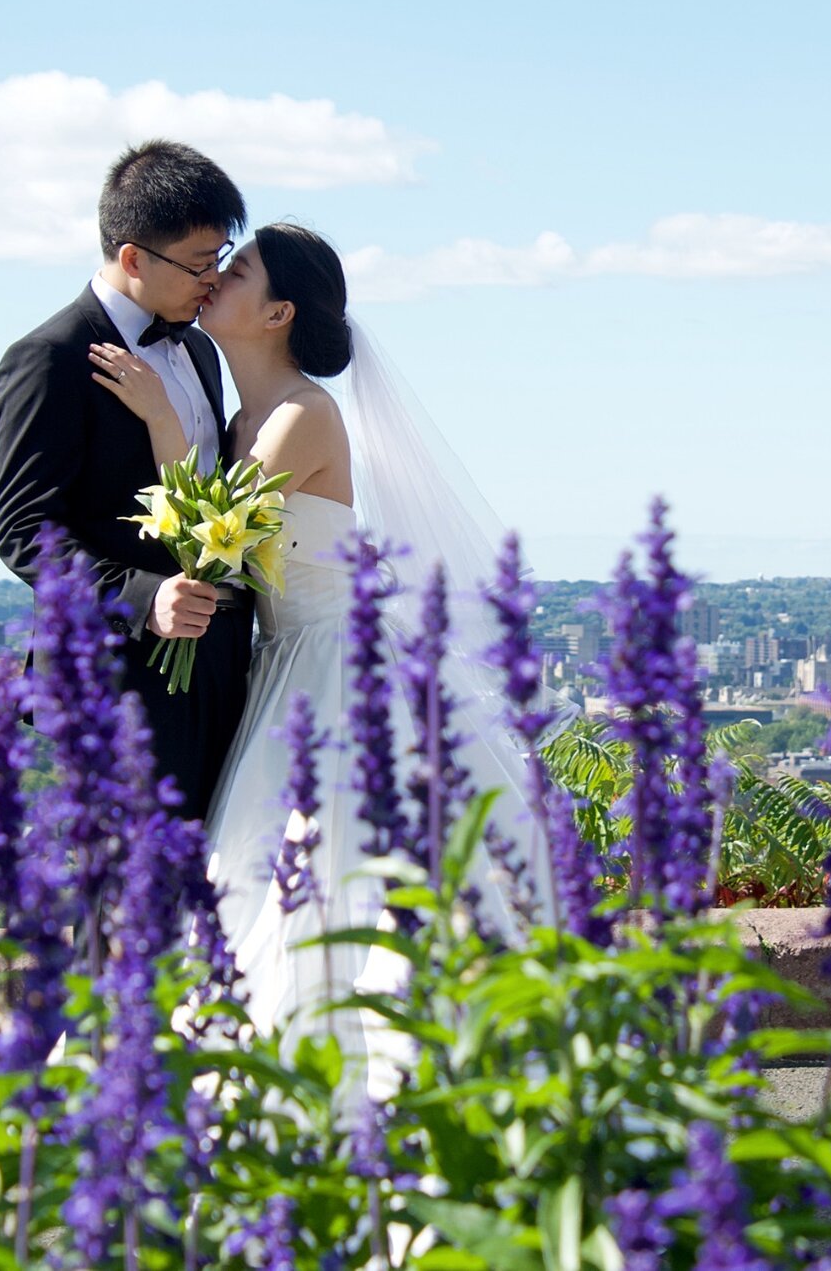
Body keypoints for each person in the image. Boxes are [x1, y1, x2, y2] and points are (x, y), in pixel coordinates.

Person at [89, 220, 545, 1083]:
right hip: (284, 663)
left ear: (279, 312)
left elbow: (209, 542)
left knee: (331, 867)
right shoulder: (239, 419)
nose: (218, 275)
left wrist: (154, 415)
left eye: (242, 266)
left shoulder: (303, 415)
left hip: (336, 664)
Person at [0, 141, 256, 824]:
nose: (213, 281)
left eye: (221, 260)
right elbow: (22, 532)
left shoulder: (198, 347)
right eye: (200, 264)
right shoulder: (47, 358)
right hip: (117, 673)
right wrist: (143, 597)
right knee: (128, 899)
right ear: (134, 257)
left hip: (219, 662)